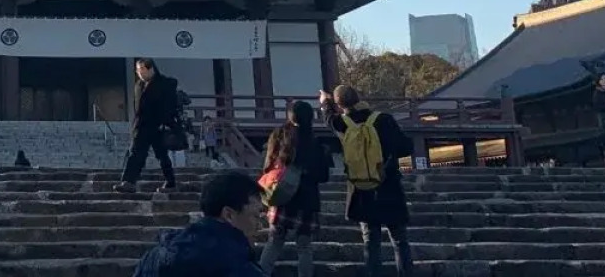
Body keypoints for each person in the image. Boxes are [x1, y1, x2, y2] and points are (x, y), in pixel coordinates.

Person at [320, 85, 414, 277]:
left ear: (339, 105)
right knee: (399, 240)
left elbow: (329, 119)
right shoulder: (384, 119)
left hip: (361, 189)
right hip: (388, 185)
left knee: (371, 241)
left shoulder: (342, 123)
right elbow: (406, 147)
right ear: (359, 97)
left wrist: (325, 104)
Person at [132, 171, 266, 277]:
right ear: (229, 215)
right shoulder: (236, 264)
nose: (259, 226)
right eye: (256, 216)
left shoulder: (155, 255)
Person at [259, 100, 331, 277]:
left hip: (283, 195)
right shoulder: (315, 142)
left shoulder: (279, 135)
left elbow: (268, 165)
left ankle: (260, 274)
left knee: (274, 242)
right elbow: (323, 176)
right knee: (304, 247)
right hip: (307, 199)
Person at [115, 57, 180, 194]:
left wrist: (167, 123)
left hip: (158, 125)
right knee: (135, 153)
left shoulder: (165, 84)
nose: (140, 73)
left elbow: (170, 106)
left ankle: (171, 182)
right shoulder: (139, 85)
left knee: (162, 155)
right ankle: (128, 181)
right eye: (138, 71)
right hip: (141, 126)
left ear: (151, 69)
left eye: (142, 70)